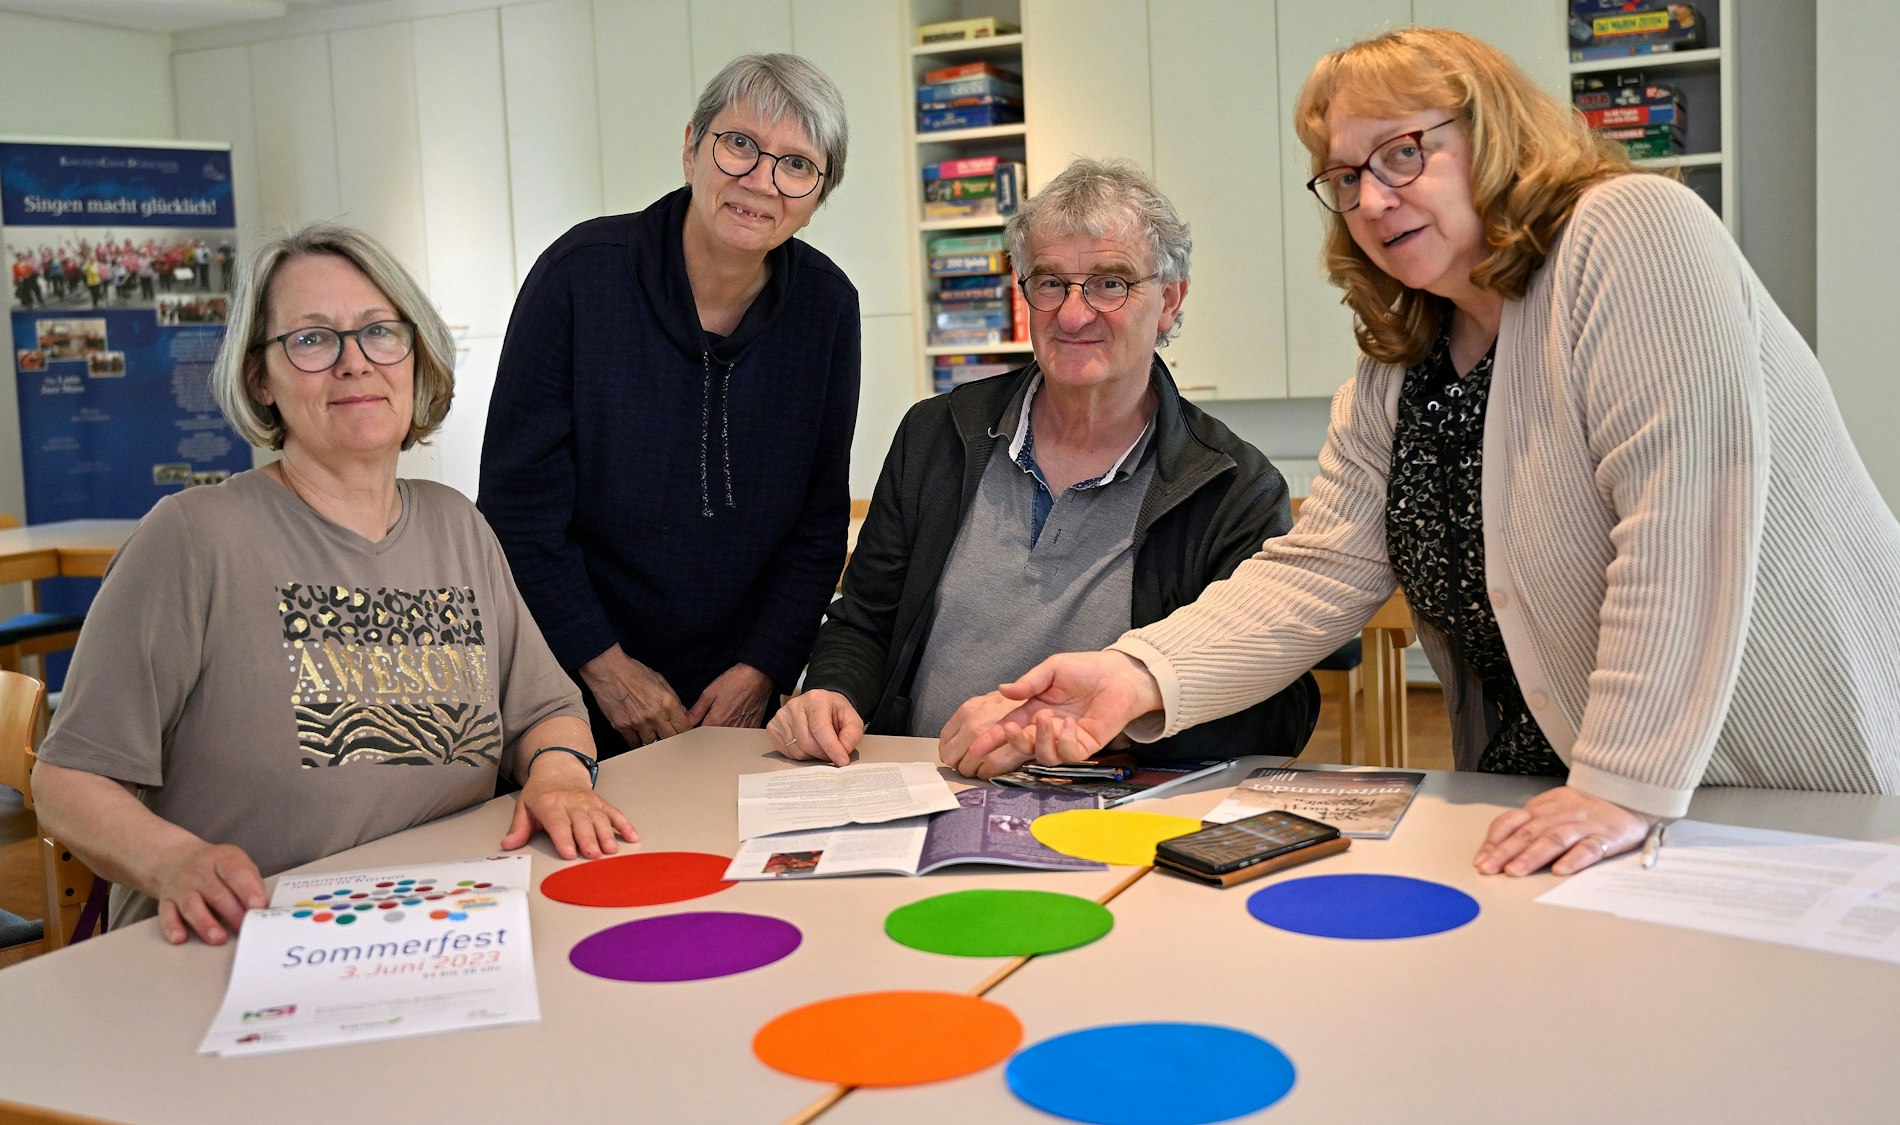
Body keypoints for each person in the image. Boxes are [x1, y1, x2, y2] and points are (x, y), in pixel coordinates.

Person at [957, 28, 1900, 874]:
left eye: (1402, 152)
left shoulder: (1631, 231)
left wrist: (1618, 783)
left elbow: (1681, 521)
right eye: (1345, 176)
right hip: (1566, 801)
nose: (1373, 196)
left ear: (1493, 136)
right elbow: (1317, 572)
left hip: (1778, 792)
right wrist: (1136, 674)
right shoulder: (1402, 357)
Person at [31, 222, 637, 946]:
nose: (355, 364)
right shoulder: (193, 538)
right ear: (260, 376)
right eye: (313, 339)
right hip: (234, 948)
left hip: (442, 930)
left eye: (380, 332)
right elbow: (67, 782)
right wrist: (175, 861)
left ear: (415, 357)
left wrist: (559, 778)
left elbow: (548, 712)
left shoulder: (458, 528)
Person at [766, 158, 1315, 776]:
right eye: (1050, 283)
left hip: (1113, 806)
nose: (1074, 315)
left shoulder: (1229, 485)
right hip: (920, 788)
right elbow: (864, 621)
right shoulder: (936, 435)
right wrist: (832, 693)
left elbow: (1281, 710)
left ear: (1170, 300)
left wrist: (1116, 721)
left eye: (1111, 284)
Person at [482, 54, 860, 759]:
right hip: (571, 686)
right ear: (691, 147)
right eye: (740, 145)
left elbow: (817, 521)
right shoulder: (578, 277)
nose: (760, 181)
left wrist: (764, 666)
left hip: (740, 702)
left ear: (818, 194)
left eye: (797, 165)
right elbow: (519, 512)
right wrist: (606, 667)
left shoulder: (828, 308)